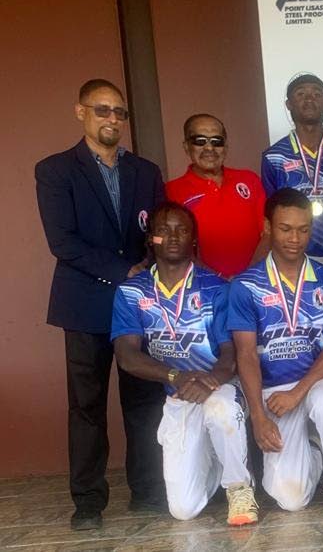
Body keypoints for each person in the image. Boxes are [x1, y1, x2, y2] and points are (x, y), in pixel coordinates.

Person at [35, 78, 166, 530]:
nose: (113, 119)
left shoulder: (145, 172)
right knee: (87, 405)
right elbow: (62, 242)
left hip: (139, 305)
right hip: (84, 302)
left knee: (144, 398)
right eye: (102, 110)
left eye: (119, 112)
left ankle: (149, 489)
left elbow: (159, 232)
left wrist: (149, 267)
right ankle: (88, 502)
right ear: (81, 113)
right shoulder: (54, 170)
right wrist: (122, 271)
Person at [111, 202, 258, 525]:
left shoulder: (216, 288)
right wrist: (175, 375)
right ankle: (215, 460)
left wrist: (210, 381)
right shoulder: (132, 292)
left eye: (182, 230)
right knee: (183, 509)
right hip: (178, 395)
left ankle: (238, 486)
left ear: (194, 239)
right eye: (163, 230)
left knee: (219, 410)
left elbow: (230, 352)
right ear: (151, 239)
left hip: (221, 388)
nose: (173, 236)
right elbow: (126, 355)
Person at [228, 188, 323, 517]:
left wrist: (298, 392)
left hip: (318, 377)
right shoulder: (245, 286)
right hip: (273, 390)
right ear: (267, 227)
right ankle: (316, 452)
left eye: (304, 229)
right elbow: (245, 354)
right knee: (291, 499)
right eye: (286, 228)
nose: (295, 238)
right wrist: (258, 416)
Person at [166, 114, 268, 278]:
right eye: (200, 141)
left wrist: (247, 278)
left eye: (217, 141)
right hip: (202, 287)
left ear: (225, 147)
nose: (209, 148)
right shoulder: (171, 191)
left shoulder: (249, 180)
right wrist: (218, 279)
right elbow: (177, 249)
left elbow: (268, 234)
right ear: (186, 146)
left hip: (254, 283)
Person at [262, 73, 323, 268]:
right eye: (300, 94)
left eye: (317, 94)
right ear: (288, 104)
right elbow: (271, 213)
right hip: (294, 257)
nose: (309, 99)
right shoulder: (274, 157)